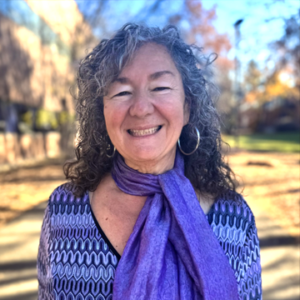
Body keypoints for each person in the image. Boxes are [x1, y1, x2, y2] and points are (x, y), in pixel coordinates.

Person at [37, 23, 262, 300]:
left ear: (187, 107)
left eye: (160, 87)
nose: (141, 108)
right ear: (102, 112)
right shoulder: (63, 211)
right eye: (122, 92)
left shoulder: (234, 220)